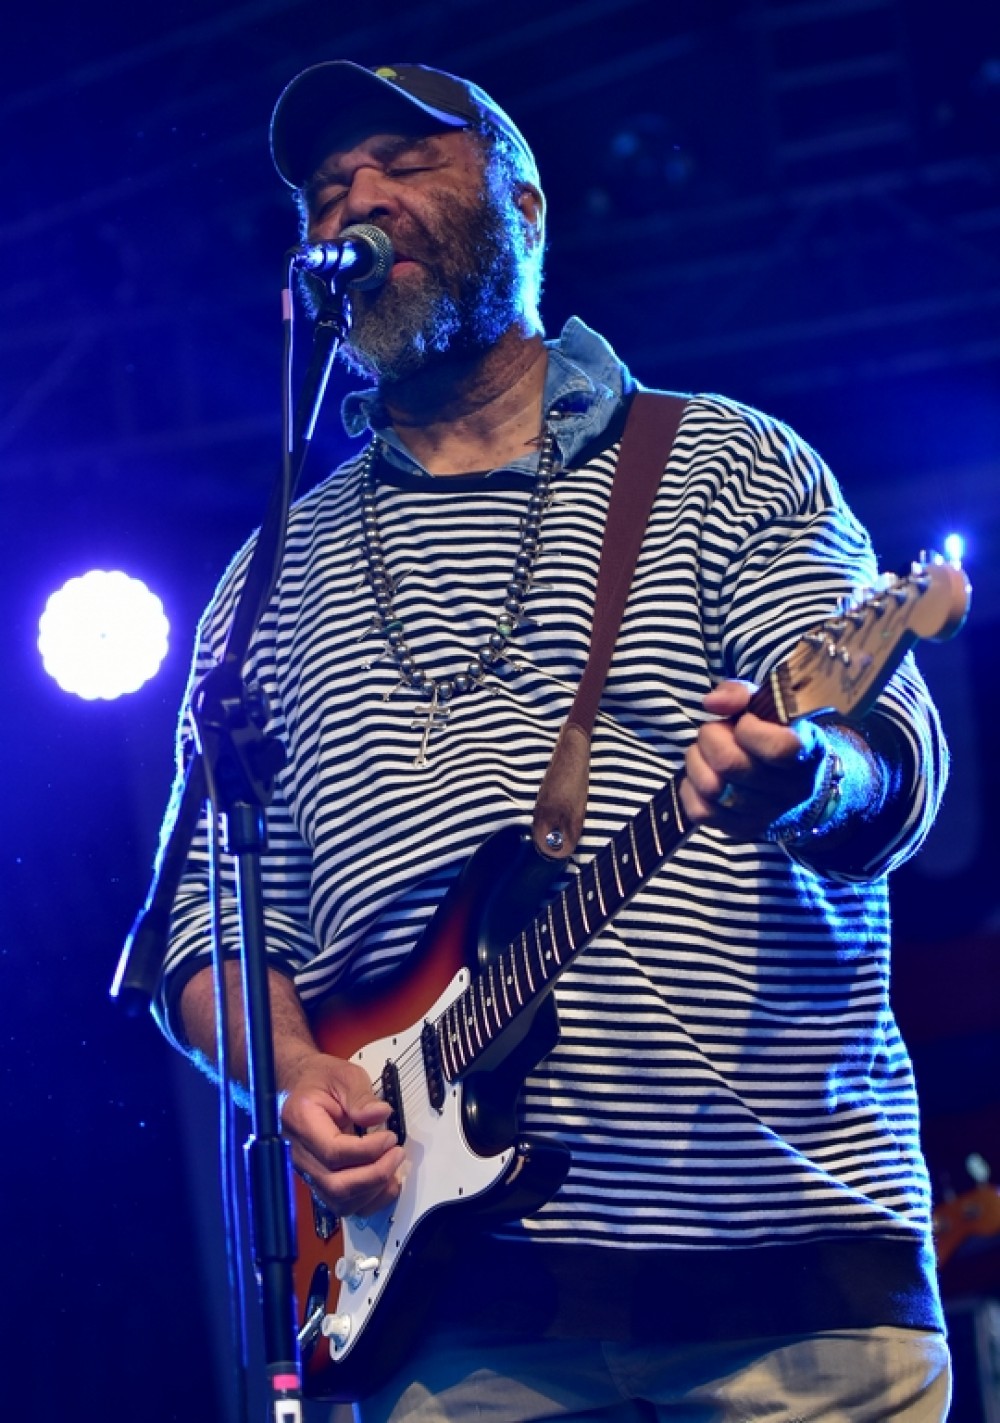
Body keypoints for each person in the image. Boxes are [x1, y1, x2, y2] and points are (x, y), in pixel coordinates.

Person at [154, 60, 953, 1422]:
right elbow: (203, 926)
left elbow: (889, 764)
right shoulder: (265, 580)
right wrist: (295, 1077)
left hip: (785, 1279)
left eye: (406, 162)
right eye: (330, 185)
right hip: (448, 1316)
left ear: (524, 206)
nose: (359, 198)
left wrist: (807, 775)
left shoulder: (724, 462)